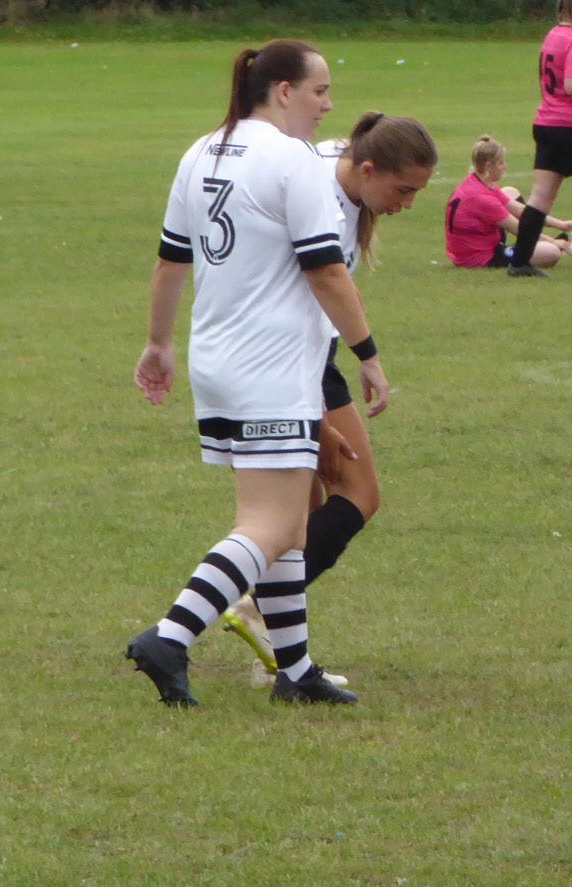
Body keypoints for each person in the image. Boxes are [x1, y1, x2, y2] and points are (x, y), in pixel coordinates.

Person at [129, 39, 388, 707]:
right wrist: (368, 353)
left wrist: (158, 344)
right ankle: (171, 636)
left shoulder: (202, 150)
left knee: (292, 528)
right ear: (283, 91)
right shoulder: (291, 159)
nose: (327, 106)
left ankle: (295, 671)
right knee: (269, 524)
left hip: (217, 361)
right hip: (272, 366)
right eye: (319, 91)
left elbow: (170, 261)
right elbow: (326, 271)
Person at [220, 112, 438, 687]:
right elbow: (321, 284)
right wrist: (357, 370)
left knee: (302, 510)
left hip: (287, 354)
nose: (408, 204)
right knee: (357, 493)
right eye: (403, 190)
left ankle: (281, 659)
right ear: (368, 169)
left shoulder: (338, 165)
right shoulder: (324, 196)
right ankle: (232, 615)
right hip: (293, 358)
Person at [506, 0, 572, 277]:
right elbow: (570, 85)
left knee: (540, 199)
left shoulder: (553, 35)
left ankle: (520, 262)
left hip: (546, 121)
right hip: (568, 124)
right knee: (542, 197)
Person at [445, 135, 572, 270]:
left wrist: (561, 224)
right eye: (501, 163)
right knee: (551, 252)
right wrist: (559, 244)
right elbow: (522, 230)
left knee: (510, 192)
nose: (504, 167)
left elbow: (521, 210)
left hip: (474, 245)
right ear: (489, 166)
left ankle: (542, 245)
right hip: (480, 257)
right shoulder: (482, 199)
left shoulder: (479, 182)